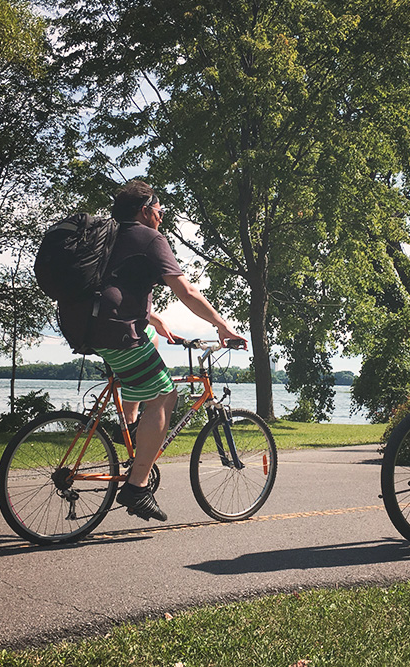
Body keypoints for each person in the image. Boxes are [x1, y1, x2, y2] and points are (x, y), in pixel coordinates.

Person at [81, 179, 246, 522]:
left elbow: (109, 287)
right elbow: (186, 292)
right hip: (117, 333)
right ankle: (137, 487)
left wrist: (152, 318)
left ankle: (126, 427)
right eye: (159, 211)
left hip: (88, 326)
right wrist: (222, 326)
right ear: (145, 210)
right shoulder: (150, 238)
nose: (161, 217)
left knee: (151, 344)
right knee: (165, 395)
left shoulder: (110, 236)